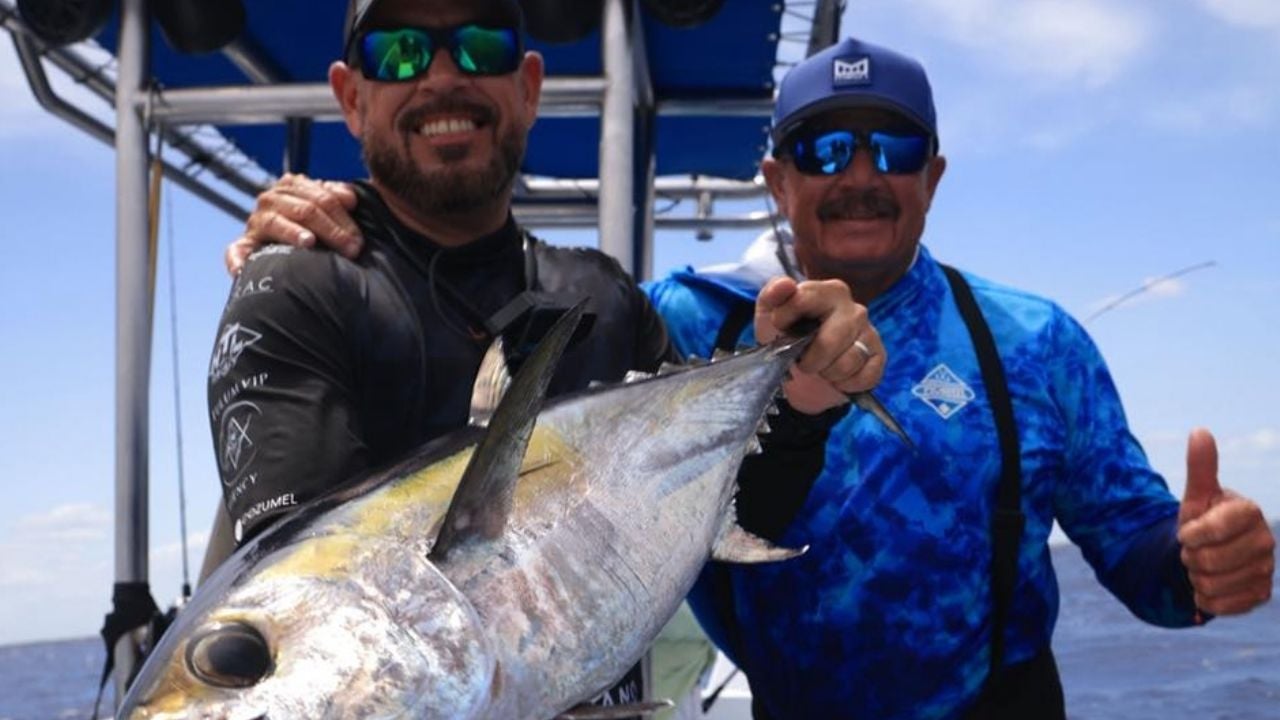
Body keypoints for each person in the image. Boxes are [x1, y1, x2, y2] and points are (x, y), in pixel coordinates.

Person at [226, 35, 1276, 720]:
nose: (858, 174)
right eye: (822, 151)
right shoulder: (672, 321)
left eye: (890, 147)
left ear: (933, 175)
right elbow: (488, 309)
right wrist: (307, 233)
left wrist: (1199, 572)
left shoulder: (1033, 342)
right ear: (774, 180)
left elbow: (1143, 563)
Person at [206, 0, 884, 716]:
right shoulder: (295, 287)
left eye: (480, 45)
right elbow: (325, 585)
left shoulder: (603, 295)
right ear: (351, 97)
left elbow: (748, 504)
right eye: (399, 52)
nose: (441, 76)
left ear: (528, 87)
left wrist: (804, 390)